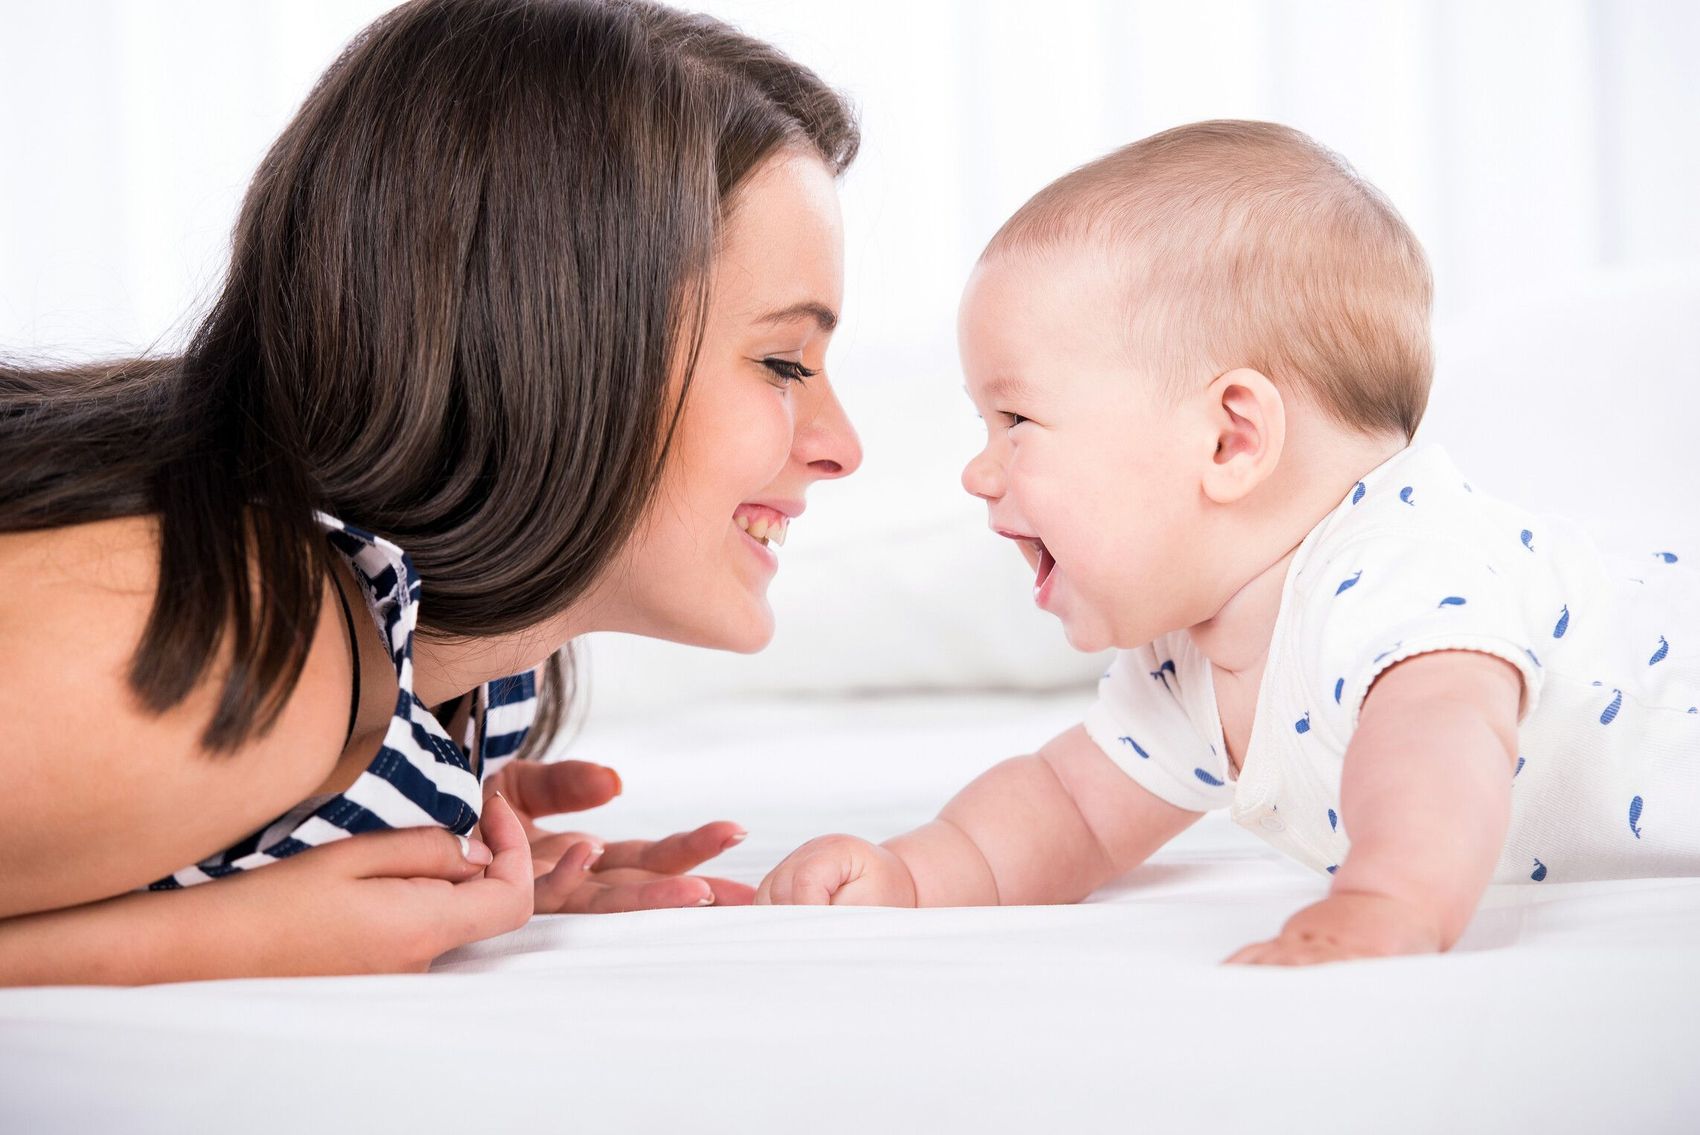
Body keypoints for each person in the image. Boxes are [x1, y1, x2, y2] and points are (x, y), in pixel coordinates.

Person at [0, 0, 862, 985]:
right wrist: (231, 937)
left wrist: (429, 840)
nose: (843, 448)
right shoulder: (252, 635)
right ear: (555, 351)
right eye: (784, 362)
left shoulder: (462, 673)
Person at [756, 120, 1700, 965]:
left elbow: (1438, 746)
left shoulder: (1399, 569)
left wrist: (1389, 898)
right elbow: (1072, 807)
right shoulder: (1193, 660)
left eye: (1015, 420)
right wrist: (915, 873)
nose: (979, 472)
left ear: (1229, 439)